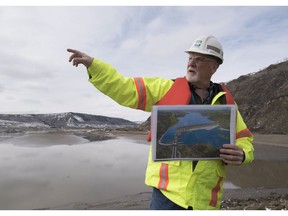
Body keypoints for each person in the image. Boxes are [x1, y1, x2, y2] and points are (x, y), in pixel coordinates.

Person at [67, 35, 254, 210]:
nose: (191, 63)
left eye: (199, 59)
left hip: (207, 200)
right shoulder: (165, 89)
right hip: (167, 198)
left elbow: (244, 139)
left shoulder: (227, 103)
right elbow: (124, 88)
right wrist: (94, 66)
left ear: (214, 67)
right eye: (190, 58)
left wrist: (243, 154)